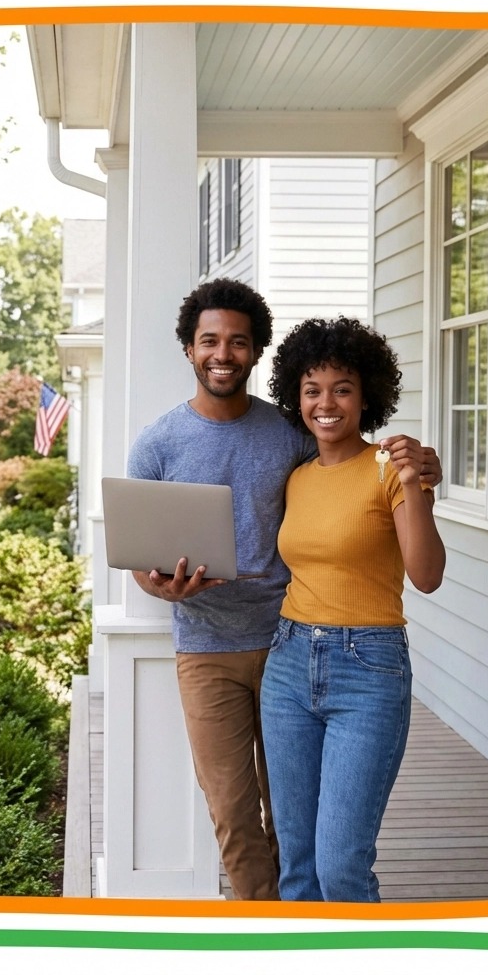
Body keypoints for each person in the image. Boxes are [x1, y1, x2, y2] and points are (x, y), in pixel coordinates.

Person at [126, 280, 439, 901]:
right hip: (211, 647)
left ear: (256, 351)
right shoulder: (158, 443)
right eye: (209, 340)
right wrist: (162, 585)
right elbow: (141, 554)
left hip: (289, 644)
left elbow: (357, 467)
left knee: (319, 845)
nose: (223, 353)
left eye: (238, 342)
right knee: (241, 821)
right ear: (189, 348)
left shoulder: (291, 437)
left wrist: (424, 468)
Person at [260, 315, 446, 903]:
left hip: (368, 669)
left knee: (341, 867)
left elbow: (427, 575)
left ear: (366, 394)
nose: (326, 403)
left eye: (342, 388)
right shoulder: (296, 477)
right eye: (312, 390)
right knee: (298, 866)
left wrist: (416, 482)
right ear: (297, 397)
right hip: (287, 666)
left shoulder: (391, 470)